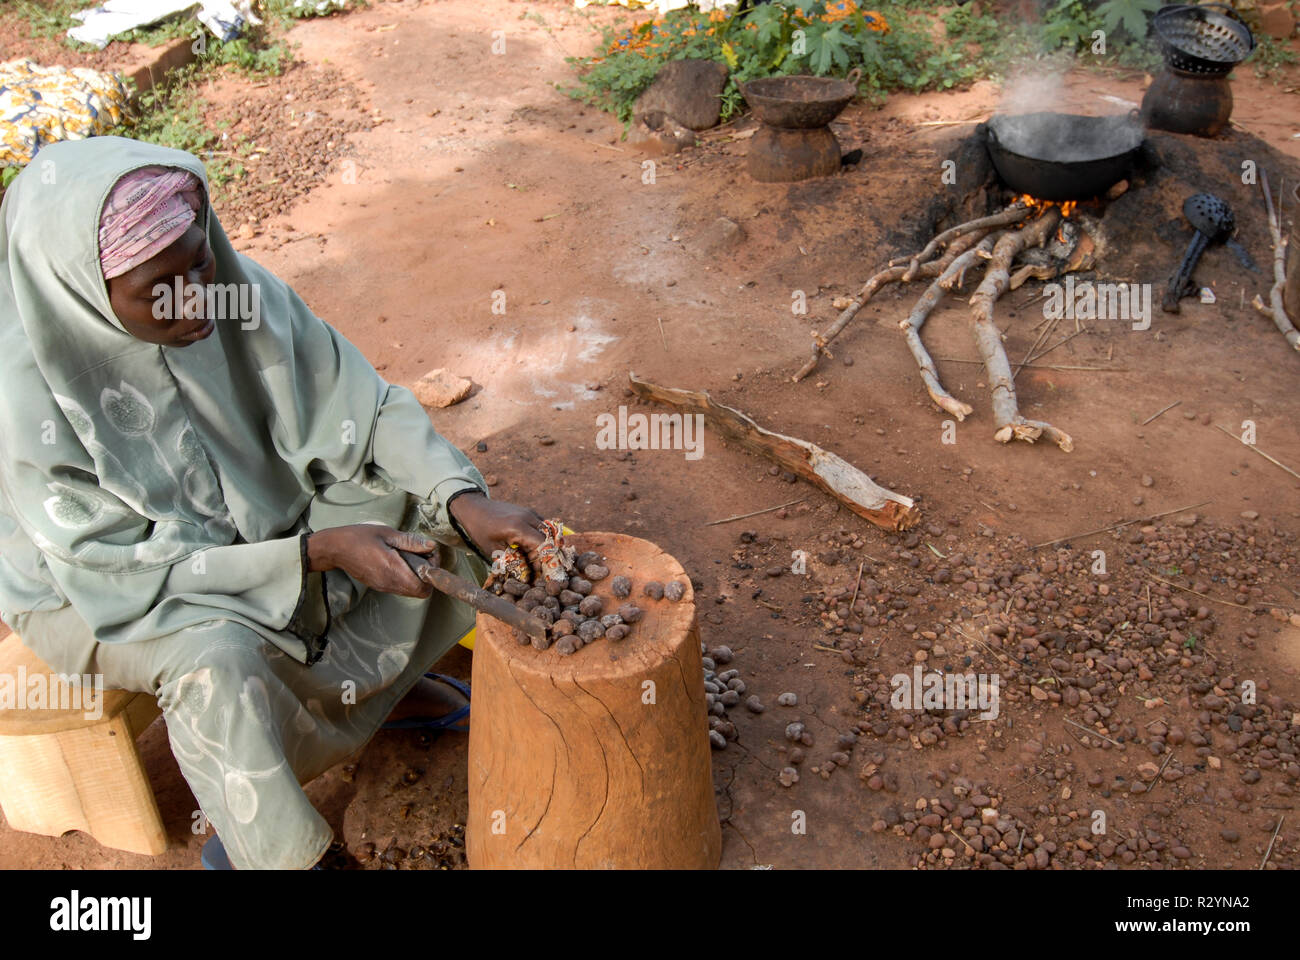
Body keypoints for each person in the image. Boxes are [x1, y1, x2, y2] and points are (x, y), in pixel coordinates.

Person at [0, 136, 547, 869]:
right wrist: (311, 552)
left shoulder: (233, 291)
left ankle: (381, 700)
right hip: (101, 589)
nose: (195, 297)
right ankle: (278, 847)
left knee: (418, 501)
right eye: (158, 289)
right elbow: (116, 569)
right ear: (84, 292)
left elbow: (365, 410)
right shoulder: (28, 395)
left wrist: (462, 501)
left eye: (198, 261)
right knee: (212, 661)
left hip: (257, 517)